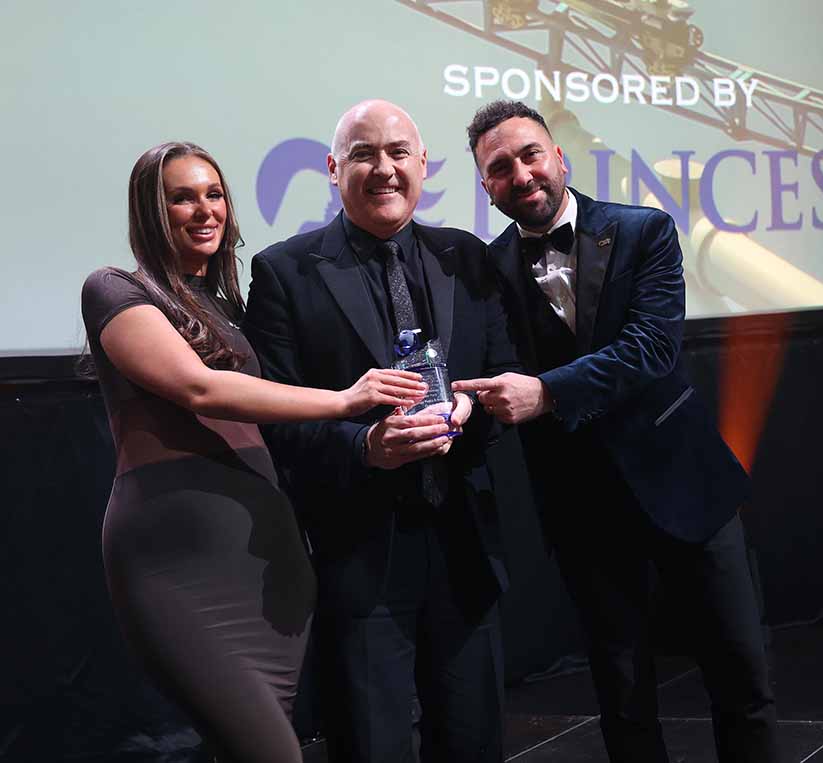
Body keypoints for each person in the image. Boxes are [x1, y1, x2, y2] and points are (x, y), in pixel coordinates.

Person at [81, 141, 426, 763]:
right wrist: (345, 401)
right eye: (182, 197)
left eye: (214, 194)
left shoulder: (229, 310)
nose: (204, 210)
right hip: (178, 558)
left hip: (267, 556)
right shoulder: (114, 289)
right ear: (150, 211)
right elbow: (199, 388)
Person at [455, 101, 778, 763]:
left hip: (686, 483)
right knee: (623, 697)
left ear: (558, 157)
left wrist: (546, 391)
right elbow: (489, 363)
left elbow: (651, 348)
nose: (521, 174)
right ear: (486, 186)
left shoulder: (644, 230)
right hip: (582, 505)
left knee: (741, 677)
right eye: (500, 167)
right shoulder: (486, 269)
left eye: (529, 155)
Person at [242, 100, 520, 763]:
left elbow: (502, 369)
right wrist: (364, 447)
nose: (384, 168)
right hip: (359, 552)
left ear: (424, 164)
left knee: (475, 742)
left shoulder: (467, 256)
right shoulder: (285, 272)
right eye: (363, 154)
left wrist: (469, 406)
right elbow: (273, 417)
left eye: (399, 152)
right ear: (333, 169)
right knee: (372, 745)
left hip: (463, 542)